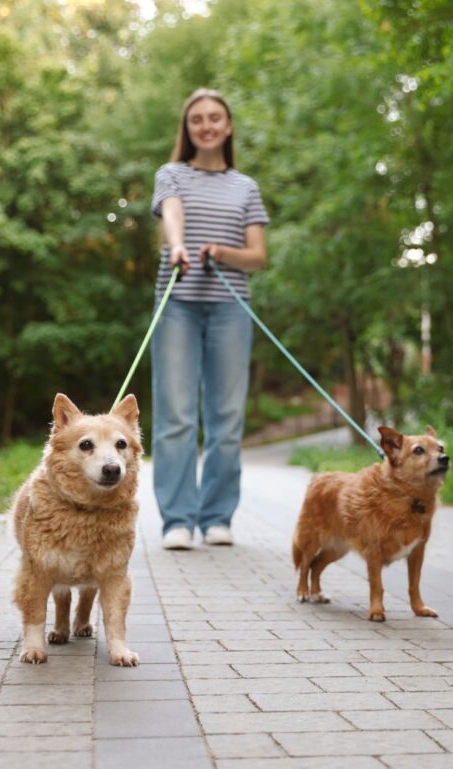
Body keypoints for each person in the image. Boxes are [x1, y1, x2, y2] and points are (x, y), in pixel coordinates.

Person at [149, 88, 269, 550]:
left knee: (227, 417)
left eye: (214, 117)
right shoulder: (171, 174)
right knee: (176, 416)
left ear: (228, 125)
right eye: (196, 118)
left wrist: (221, 252)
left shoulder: (246, 187)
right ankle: (177, 520)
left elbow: (258, 256)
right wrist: (178, 245)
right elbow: (172, 214)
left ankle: (217, 516)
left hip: (230, 308)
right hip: (177, 304)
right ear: (187, 128)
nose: (206, 125)